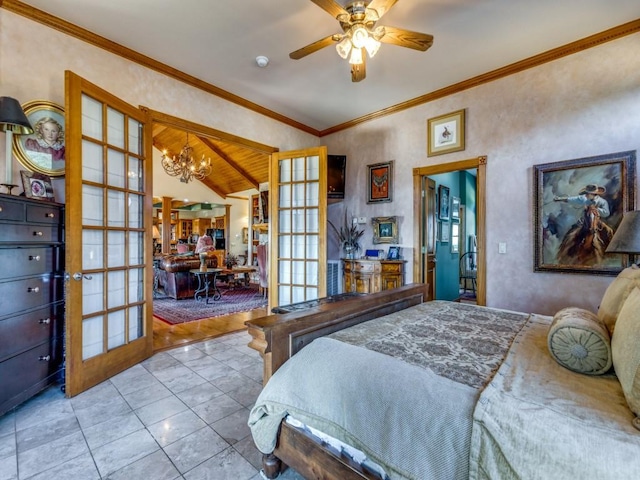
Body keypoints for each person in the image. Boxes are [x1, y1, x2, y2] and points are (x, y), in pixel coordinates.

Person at [553, 184, 614, 265]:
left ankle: (610, 252)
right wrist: (560, 199)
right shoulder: (584, 199)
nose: (586, 195)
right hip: (584, 221)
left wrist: (596, 209)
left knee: (609, 231)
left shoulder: (602, 202)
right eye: (586, 193)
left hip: (597, 221)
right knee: (571, 233)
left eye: (588, 193)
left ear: (593, 194)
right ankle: (566, 251)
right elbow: (572, 199)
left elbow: (606, 213)